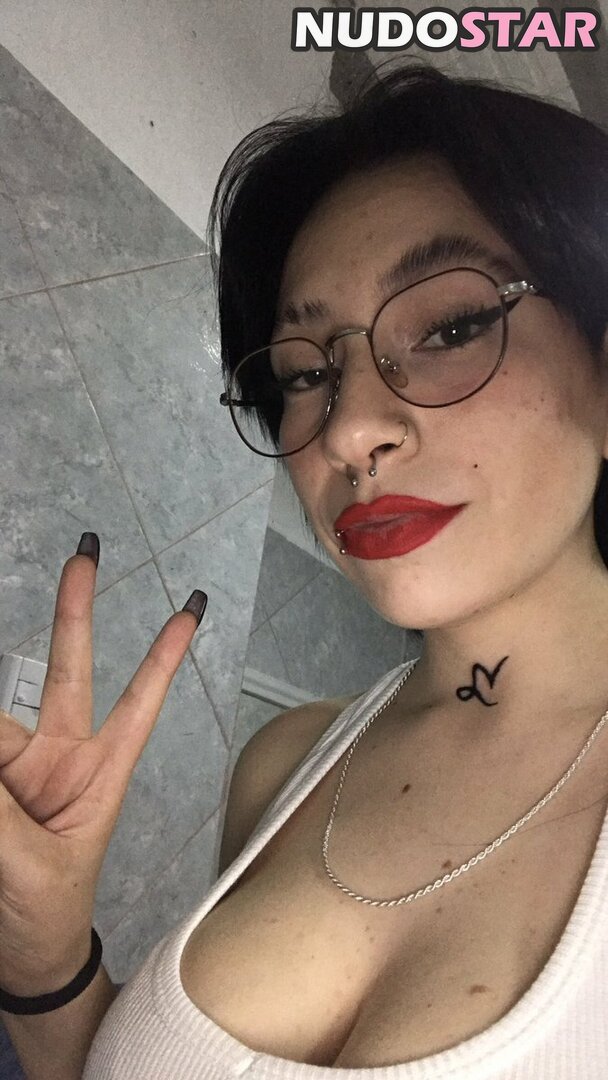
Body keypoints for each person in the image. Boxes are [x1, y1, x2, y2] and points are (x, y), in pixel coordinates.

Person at [2, 62, 608, 1078]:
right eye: (306, 372)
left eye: (451, 326)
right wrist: (46, 962)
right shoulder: (282, 762)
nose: (349, 428)